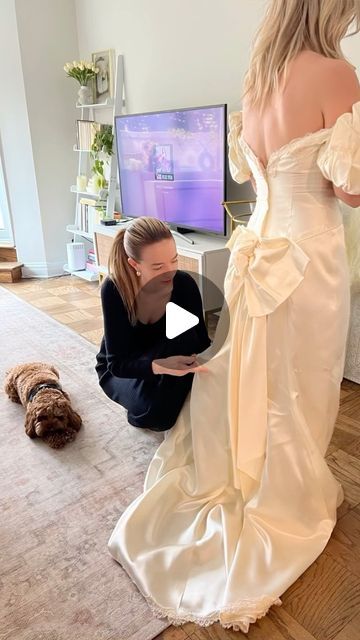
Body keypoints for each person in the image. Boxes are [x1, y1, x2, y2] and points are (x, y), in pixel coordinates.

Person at [107, 0, 360, 633]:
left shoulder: (260, 75)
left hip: (261, 247)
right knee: (302, 378)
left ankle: (249, 473)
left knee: (261, 373)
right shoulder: (334, 72)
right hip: (308, 257)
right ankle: (283, 487)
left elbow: (258, 178)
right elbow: (350, 189)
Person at [95, 216, 211, 430]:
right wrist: (160, 367)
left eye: (174, 260)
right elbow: (118, 364)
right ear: (134, 264)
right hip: (124, 370)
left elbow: (201, 342)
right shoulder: (114, 289)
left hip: (166, 355)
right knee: (157, 417)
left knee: (188, 342)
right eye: (158, 267)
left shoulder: (184, 284)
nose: (170, 271)